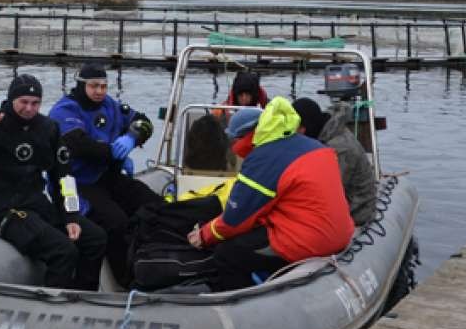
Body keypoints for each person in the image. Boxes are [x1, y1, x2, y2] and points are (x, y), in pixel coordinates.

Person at [0, 74, 106, 291]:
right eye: (23, 102)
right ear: (11, 100)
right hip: (2, 211)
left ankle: (86, 296)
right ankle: (53, 307)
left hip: (37, 206)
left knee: (96, 239)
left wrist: (71, 216)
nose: (29, 109)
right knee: (64, 251)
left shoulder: (48, 129)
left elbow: (63, 176)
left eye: (35, 103)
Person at [188, 97, 355, 291]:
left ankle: (242, 305)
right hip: (338, 235)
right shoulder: (313, 146)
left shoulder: (264, 157)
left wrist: (204, 234)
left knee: (227, 254)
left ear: (244, 137)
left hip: (310, 241)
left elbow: (235, 219)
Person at [49, 63, 162, 285]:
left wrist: (132, 136)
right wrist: (114, 153)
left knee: (152, 203)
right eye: (94, 86)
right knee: (116, 221)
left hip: (106, 176)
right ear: (82, 85)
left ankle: (154, 260)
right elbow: (80, 145)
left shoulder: (111, 105)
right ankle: (125, 279)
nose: (100, 91)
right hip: (77, 183)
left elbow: (144, 122)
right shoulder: (65, 111)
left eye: (104, 86)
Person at [292, 97, 376, 226]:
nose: (295, 133)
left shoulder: (340, 149)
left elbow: (328, 192)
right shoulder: (325, 133)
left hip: (357, 209)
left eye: (297, 128)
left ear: (306, 126)